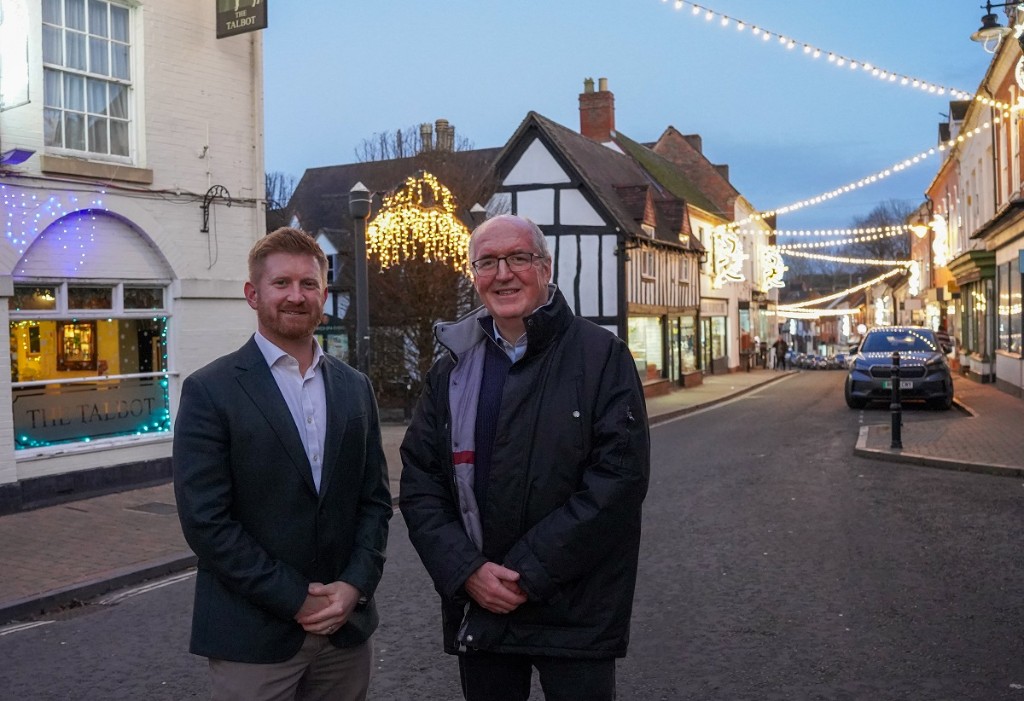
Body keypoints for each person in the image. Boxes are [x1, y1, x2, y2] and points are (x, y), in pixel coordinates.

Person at [399, 214, 650, 701]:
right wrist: (467, 571)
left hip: (574, 611)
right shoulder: (452, 366)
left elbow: (618, 482)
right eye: (487, 262)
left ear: (546, 267)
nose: (503, 273)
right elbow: (421, 481)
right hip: (482, 608)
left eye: (518, 257)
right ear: (474, 275)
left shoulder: (602, 356)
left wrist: (524, 574)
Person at [173, 227, 391, 701]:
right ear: (253, 294)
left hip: (345, 632)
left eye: (308, 284)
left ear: (324, 294)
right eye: (281, 284)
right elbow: (207, 523)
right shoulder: (210, 391)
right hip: (253, 637)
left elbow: (374, 502)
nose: (296, 296)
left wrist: (355, 585)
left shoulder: (355, 388)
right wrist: (295, 598)